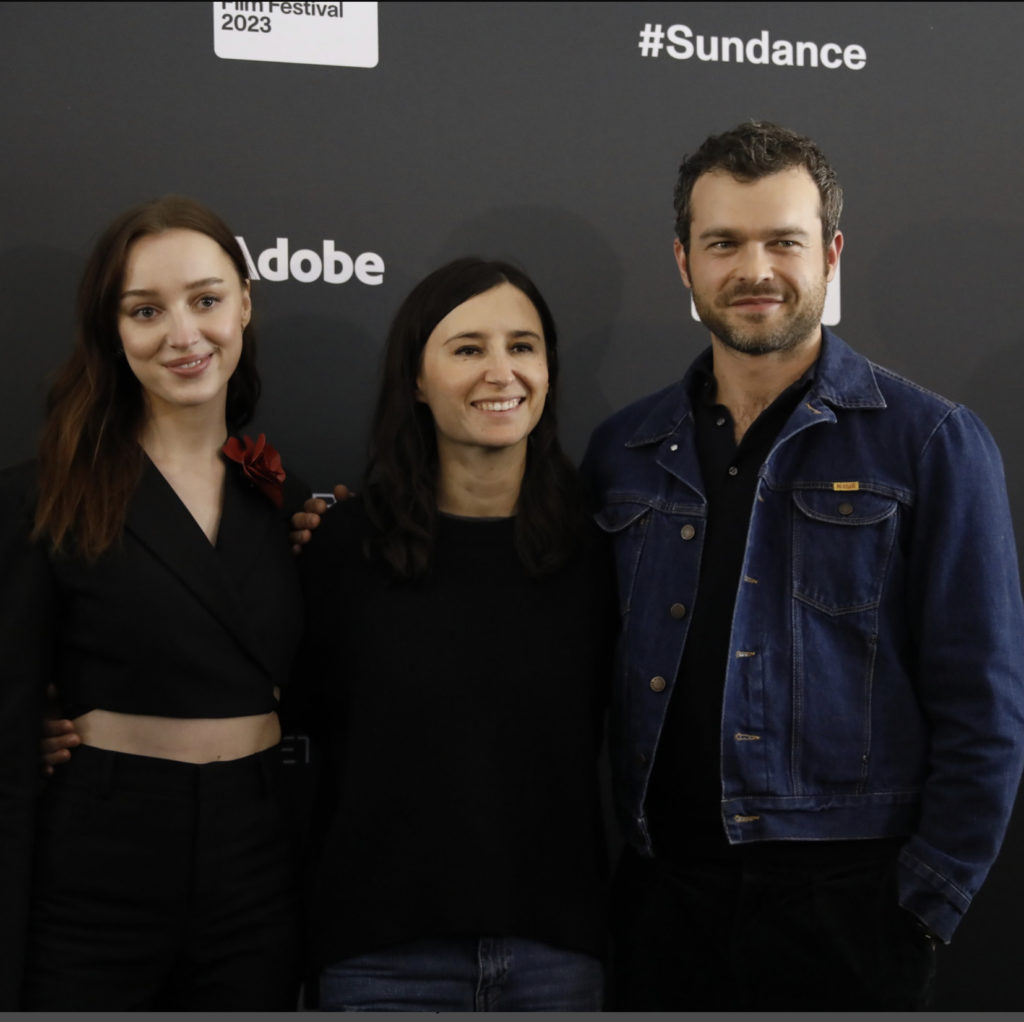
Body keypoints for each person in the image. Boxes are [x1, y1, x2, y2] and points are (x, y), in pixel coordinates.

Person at [580, 121, 1024, 1010]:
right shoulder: (625, 450)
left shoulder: (930, 441)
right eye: (723, 244)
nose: (755, 270)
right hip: (664, 902)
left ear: (830, 254)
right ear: (683, 261)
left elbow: (984, 705)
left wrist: (924, 905)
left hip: (852, 910)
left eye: (783, 241)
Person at [0, 196, 305, 1009]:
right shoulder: (44, 496)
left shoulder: (286, 501)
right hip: (99, 854)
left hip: (257, 853)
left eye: (205, 300)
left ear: (245, 304)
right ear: (112, 329)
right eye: (146, 310)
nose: (183, 334)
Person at [293, 258, 612, 1011]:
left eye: (522, 346)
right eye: (468, 348)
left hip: (557, 958)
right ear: (415, 378)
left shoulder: (602, 551)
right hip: (381, 961)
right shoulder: (342, 548)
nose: (501, 371)